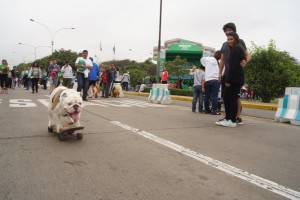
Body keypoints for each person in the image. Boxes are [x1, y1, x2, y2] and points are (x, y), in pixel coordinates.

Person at [218, 22, 251, 125]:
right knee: (226, 97)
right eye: (226, 31)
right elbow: (222, 60)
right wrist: (220, 72)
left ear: (234, 32)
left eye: (230, 30)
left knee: (235, 97)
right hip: (227, 74)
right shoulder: (224, 44)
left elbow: (248, 55)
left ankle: (236, 117)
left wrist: (245, 62)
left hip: (235, 73)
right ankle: (228, 117)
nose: (228, 32)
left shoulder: (239, 42)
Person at [201, 50, 222, 115]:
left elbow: (202, 60)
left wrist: (206, 64)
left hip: (207, 80)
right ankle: (214, 110)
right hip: (215, 80)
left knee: (207, 96)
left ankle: (206, 110)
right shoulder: (218, 62)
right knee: (215, 96)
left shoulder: (208, 59)